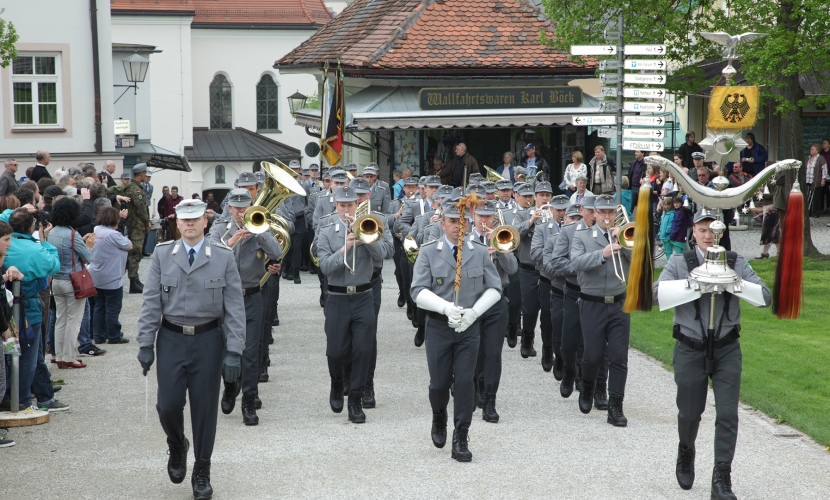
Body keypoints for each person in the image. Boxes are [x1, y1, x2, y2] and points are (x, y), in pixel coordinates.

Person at [655, 207, 770, 498]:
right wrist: (696, 283)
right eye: (702, 229)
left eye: (714, 230)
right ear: (693, 232)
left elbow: (765, 297)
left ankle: (721, 478)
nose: (708, 235)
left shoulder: (736, 261)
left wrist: (733, 282)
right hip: (690, 346)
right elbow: (655, 294)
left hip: (727, 347)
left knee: (729, 414)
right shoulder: (681, 261)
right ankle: (686, 450)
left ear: (722, 232)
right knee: (690, 413)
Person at [137, 199, 244, 500]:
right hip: (171, 338)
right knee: (167, 405)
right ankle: (176, 443)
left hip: (208, 340)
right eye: (184, 220)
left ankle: (202, 470)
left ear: (205, 221)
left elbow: (235, 306)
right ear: (177, 223)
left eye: (195, 219)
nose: (190, 224)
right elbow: (151, 303)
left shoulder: (222, 256)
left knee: (204, 409)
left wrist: (234, 350)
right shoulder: (162, 255)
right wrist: (145, 342)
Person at [411, 200, 501, 462]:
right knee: (439, 384)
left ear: (470, 224)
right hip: (439, 327)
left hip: (468, 328)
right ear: (443, 224)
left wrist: (474, 312)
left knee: (464, 382)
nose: (457, 227)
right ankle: (439, 414)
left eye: (463, 222)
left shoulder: (479, 251)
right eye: (452, 221)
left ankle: (461, 434)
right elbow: (417, 291)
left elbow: (495, 288)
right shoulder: (429, 252)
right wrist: (445, 308)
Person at [316, 186, 388, 424]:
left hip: (363, 296)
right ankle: (337, 382)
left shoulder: (371, 225)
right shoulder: (327, 231)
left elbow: (384, 255)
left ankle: (355, 399)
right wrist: (345, 247)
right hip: (336, 297)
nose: (346, 209)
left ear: (357, 206)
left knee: (363, 350)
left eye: (350, 205)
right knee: (336, 351)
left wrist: (365, 239)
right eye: (342, 205)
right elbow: (325, 266)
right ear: (336, 206)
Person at [209, 189, 281, 426]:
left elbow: (277, 252)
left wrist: (258, 233)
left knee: (251, 352)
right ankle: (230, 386)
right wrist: (231, 242)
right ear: (229, 208)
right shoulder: (220, 228)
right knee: (226, 349)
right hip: (225, 299)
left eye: (245, 207)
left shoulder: (260, 225)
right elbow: (208, 258)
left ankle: (249, 400)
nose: (241, 212)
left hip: (252, 297)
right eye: (237, 208)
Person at [570, 194, 631, 426]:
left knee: (618, 357)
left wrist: (624, 244)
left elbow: (639, 261)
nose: (607, 216)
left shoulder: (626, 235)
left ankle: (616, 405)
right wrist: (602, 254)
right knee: (592, 356)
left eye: (611, 212)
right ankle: (588, 386)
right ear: (594, 213)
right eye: (603, 212)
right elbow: (576, 262)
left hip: (619, 303)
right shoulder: (582, 236)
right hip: (592, 302)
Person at [469, 199, 518, 422]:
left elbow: (513, 269)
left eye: (488, 217)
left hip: (497, 301)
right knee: (472, 350)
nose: (484, 221)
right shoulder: (465, 237)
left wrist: (499, 250)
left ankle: (490, 400)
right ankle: (472, 389)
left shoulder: (501, 236)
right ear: (474, 217)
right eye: (481, 216)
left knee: (492, 353)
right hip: (471, 301)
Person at [48, 197, 95, 368]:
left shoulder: (51, 232)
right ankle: (68, 356)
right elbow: (87, 257)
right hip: (72, 281)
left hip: (57, 281)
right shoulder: (73, 234)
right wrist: (88, 244)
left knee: (60, 319)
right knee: (73, 320)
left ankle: (59, 355)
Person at [512, 182, 554, 359]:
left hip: (548, 271)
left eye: (547, 195)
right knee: (529, 310)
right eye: (541, 194)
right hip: (528, 269)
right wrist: (531, 221)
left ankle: (548, 347)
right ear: (535, 197)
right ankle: (527, 339)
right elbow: (513, 236)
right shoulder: (521, 214)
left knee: (548, 312)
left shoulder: (555, 216)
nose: (544, 198)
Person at [530, 193, 569, 373]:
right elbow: (535, 255)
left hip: (570, 282)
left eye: (565, 210)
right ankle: (548, 349)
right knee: (547, 320)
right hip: (548, 279)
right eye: (558, 210)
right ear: (551, 210)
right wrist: (552, 249)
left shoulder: (575, 229)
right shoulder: (543, 229)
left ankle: (564, 357)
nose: (562, 213)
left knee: (568, 323)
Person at [88, 207, 131, 344]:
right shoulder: (114, 235)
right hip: (111, 276)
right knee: (113, 307)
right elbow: (129, 245)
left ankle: (98, 335)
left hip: (95, 275)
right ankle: (113, 335)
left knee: (99, 306)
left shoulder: (96, 230)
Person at [124, 164, 151, 293]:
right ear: (141, 174)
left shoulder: (131, 187)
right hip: (137, 225)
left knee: (135, 252)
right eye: (145, 173)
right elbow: (141, 208)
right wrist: (147, 222)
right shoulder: (136, 190)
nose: (145, 176)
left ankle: (134, 279)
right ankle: (133, 281)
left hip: (133, 224)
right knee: (135, 252)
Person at [805, 144, 827, 218]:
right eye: (811, 149)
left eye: (813, 149)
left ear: (817, 151)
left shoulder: (821, 158)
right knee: (808, 196)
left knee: (816, 197)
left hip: (816, 180)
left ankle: (816, 212)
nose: (811, 150)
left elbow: (824, 169)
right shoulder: (808, 158)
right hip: (808, 180)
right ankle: (808, 212)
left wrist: (823, 179)